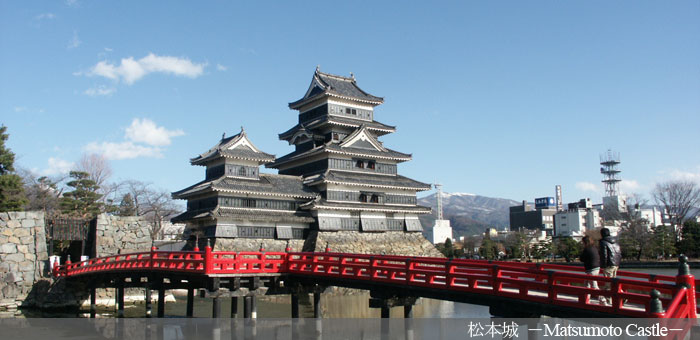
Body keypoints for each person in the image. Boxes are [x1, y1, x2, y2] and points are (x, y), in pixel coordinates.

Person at [599, 227, 621, 305]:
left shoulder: (603, 242)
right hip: (616, 264)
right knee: (614, 282)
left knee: (608, 283)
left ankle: (610, 300)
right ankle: (621, 296)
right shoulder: (615, 241)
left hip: (608, 264)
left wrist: (603, 266)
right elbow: (618, 253)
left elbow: (604, 255)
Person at [580, 236, 604, 304]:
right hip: (597, 268)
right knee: (587, 284)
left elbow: (582, 258)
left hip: (591, 269)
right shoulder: (594, 248)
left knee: (594, 286)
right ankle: (586, 299)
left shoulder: (587, 249)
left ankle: (602, 300)